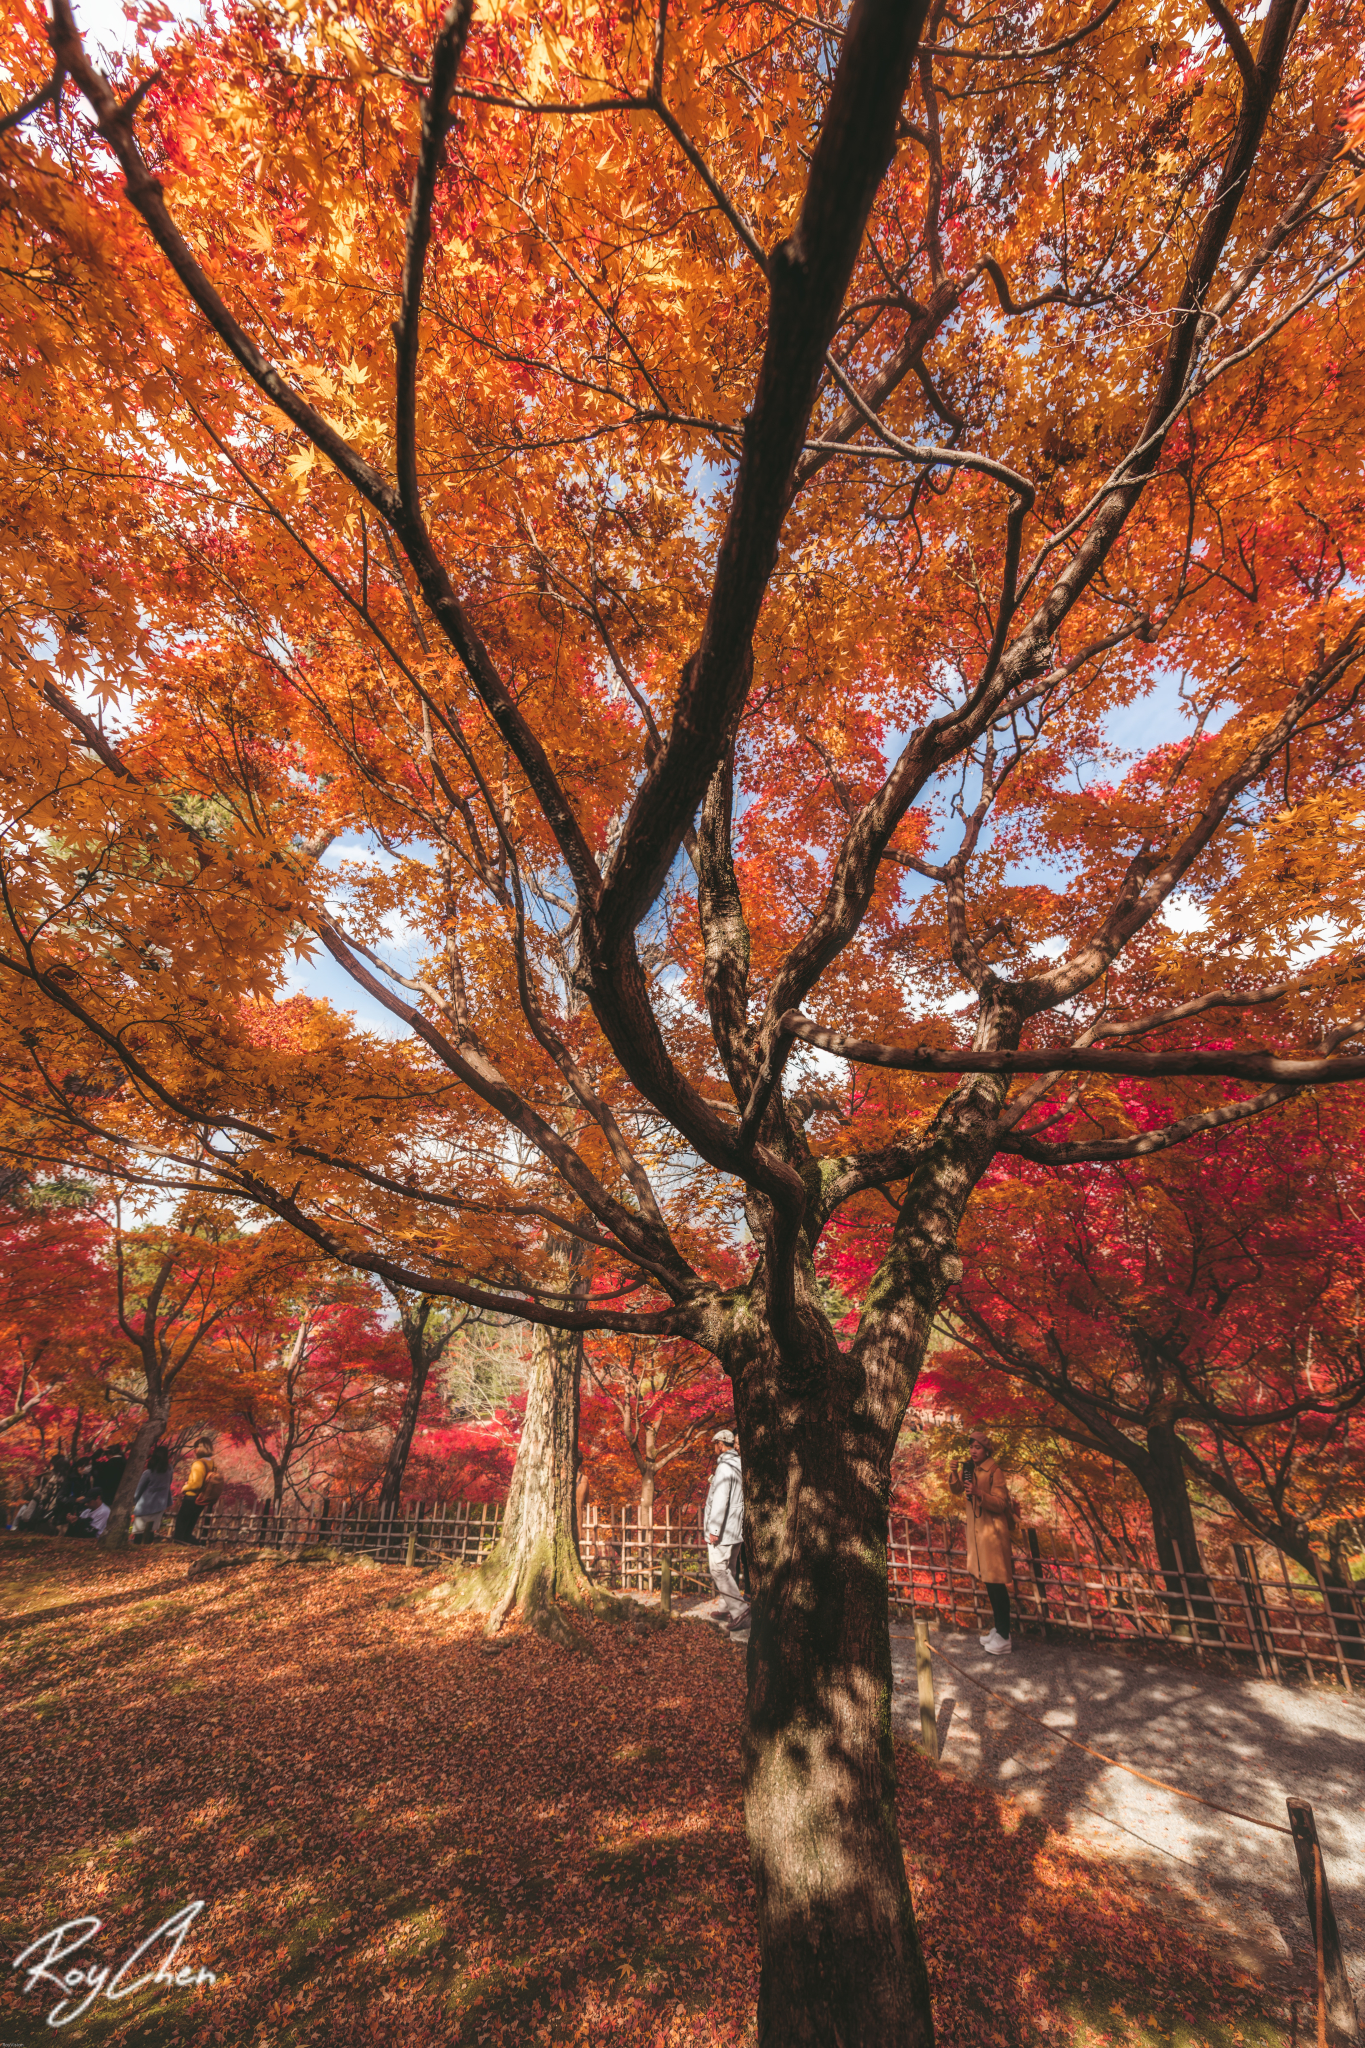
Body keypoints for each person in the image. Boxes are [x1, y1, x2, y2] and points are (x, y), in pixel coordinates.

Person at [949, 1427, 1016, 1655]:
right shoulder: (971, 1468)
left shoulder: (994, 1471)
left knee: (997, 1584)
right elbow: (957, 1491)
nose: (973, 1450)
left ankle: (1005, 1637)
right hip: (979, 1534)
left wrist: (979, 1493)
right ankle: (998, 1630)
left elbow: (1001, 1504)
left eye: (977, 1447)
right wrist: (954, 1473)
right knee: (989, 1582)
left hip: (993, 1535)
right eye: (971, 1446)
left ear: (987, 1450)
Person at [704, 1429, 749, 1631]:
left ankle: (739, 1611)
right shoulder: (740, 1464)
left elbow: (721, 1500)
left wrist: (714, 1529)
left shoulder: (724, 1467)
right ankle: (725, 1607)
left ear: (721, 1445)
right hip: (736, 1529)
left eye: (715, 1444)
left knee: (718, 1569)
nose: (715, 1448)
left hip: (723, 1530)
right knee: (729, 1568)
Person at [172, 1437, 220, 1545]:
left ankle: (179, 1546)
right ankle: (186, 1546)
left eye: (196, 1447)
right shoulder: (212, 1464)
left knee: (181, 1524)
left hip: (191, 1497)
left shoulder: (198, 1464)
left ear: (199, 1448)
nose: (194, 1450)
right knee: (190, 1524)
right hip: (202, 1498)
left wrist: (185, 1487)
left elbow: (196, 1484)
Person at [131, 1446, 173, 1544]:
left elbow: (138, 1490)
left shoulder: (148, 1473)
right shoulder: (169, 1470)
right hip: (159, 1505)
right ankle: (146, 1550)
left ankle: (137, 1551)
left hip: (144, 1506)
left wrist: (134, 1501)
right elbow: (169, 1484)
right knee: (150, 1531)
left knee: (139, 1532)